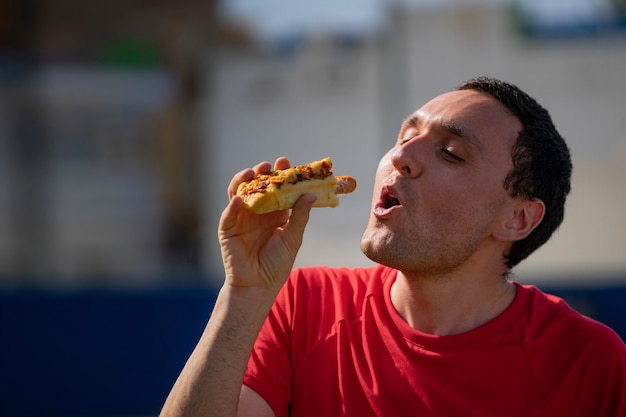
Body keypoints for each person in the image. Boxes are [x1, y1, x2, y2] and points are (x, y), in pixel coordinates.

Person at [159, 76, 626, 417]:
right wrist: (242, 293)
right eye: (406, 136)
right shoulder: (301, 305)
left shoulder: (586, 361)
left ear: (517, 218)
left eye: (451, 153)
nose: (401, 157)